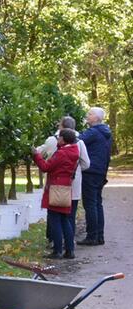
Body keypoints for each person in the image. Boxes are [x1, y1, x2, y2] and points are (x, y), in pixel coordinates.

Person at [33, 128, 80, 259]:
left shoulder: (62, 153)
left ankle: (57, 250)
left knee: (54, 219)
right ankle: (70, 250)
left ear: (64, 139)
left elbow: (46, 167)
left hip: (56, 187)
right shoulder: (73, 151)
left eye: (59, 138)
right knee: (65, 219)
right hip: (65, 187)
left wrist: (36, 155)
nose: (57, 140)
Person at [77, 107, 112, 246]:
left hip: (90, 171)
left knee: (90, 204)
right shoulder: (106, 132)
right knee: (97, 203)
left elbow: (77, 141)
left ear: (97, 118)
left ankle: (92, 236)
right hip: (100, 171)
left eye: (90, 114)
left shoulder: (92, 132)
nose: (87, 115)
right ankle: (99, 236)